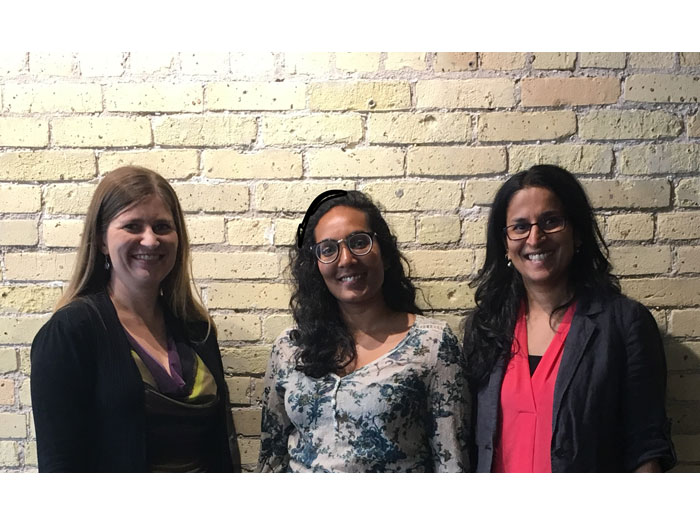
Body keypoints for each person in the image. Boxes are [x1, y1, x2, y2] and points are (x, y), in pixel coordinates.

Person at [464, 164, 675, 472]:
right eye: (519, 226)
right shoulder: (486, 327)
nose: (535, 238)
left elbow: (646, 447)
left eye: (551, 221)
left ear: (577, 233)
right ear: (505, 245)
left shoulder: (623, 324)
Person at [31, 166, 240, 472]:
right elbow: (59, 469)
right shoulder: (69, 334)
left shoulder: (198, 331)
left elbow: (221, 450)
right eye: (132, 226)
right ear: (102, 239)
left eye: (162, 226)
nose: (150, 240)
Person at [257, 190, 469, 472]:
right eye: (329, 249)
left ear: (386, 254)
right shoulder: (290, 347)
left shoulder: (432, 344)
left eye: (359, 243)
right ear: (316, 265)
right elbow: (271, 459)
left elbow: (452, 463)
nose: (345, 259)